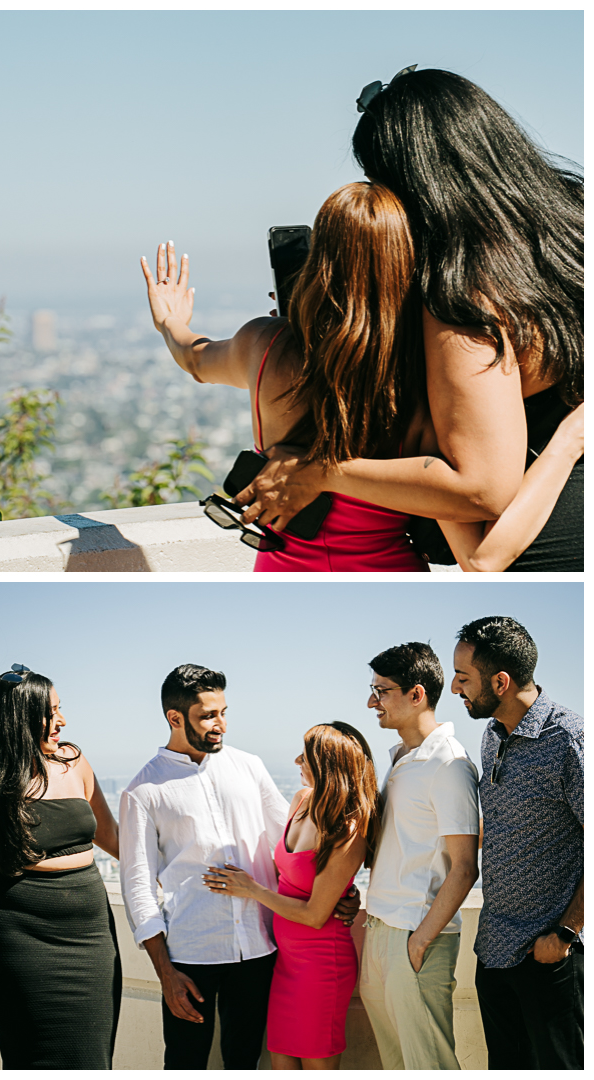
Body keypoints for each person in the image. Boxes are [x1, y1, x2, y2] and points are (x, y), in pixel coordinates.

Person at [234, 67, 583, 572]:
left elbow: (481, 488)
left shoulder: (461, 296)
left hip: (545, 548)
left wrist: (323, 470)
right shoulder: (570, 223)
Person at [141, 189, 582, 573]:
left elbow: (194, 358)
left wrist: (170, 321)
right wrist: (570, 439)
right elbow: (483, 555)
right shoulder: (420, 381)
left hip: (277, 568)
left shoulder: (264, 344)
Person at [119, 664, 360, 1070]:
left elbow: (286, 847)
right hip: (191, 955)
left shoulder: (249, 766)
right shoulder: (143, 791)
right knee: (185, 1062)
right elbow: (137, 886)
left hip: (261, 948)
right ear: (174, 719)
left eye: (224, 712)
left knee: (245, 1061)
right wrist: (165, 973)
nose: (221, 725)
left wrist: (341, 891)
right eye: (208, 716)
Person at [204, 722, 381, 1070]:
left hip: (321, 966)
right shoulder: (300, 800)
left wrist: (251, 890)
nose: (297, 760)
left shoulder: (348, 828)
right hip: (285, 963)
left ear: (327, 765)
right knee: (281, 1063)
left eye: (307, 755)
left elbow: (316, 915)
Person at [0, 665, 122, 1070]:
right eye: (50, 712)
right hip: (19, 935)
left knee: (92, 1058)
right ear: (21, 716)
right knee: (33, 1058)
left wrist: (171, 870)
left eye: (61, 709)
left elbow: (113, 838)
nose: (62, 721)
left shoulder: (74, 761)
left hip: (90, 936)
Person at [452, 616, 583, 1070]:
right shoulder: (491, 735)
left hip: (548, 955)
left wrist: (565, 934)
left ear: (501, 682)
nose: (454, 688)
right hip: (493, 950)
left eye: (464, 678)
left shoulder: (570, 739)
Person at [359, 642, 479, 1070]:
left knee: (430, 1066)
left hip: (415, 937)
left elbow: (464, 868)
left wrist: (420, 940)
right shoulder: (402, 758)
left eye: (382, 690)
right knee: (397, 1065)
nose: (372, 701)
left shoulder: (448, 764)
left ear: (417, 694)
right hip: (381, 930)